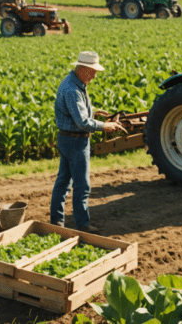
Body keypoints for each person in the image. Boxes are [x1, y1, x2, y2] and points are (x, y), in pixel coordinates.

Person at [50, 51, 124, 234]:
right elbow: (82, 122)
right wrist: (104, 126)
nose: (95, 75)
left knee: (63, 182)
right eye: (92, 71)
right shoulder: (73, 89)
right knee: (82, 186)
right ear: (82, 69)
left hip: (67, 139)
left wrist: (95, 113)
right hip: (76, 142)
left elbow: (79, 114)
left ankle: (56, 222)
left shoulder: (74, 83)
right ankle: (83, 225)